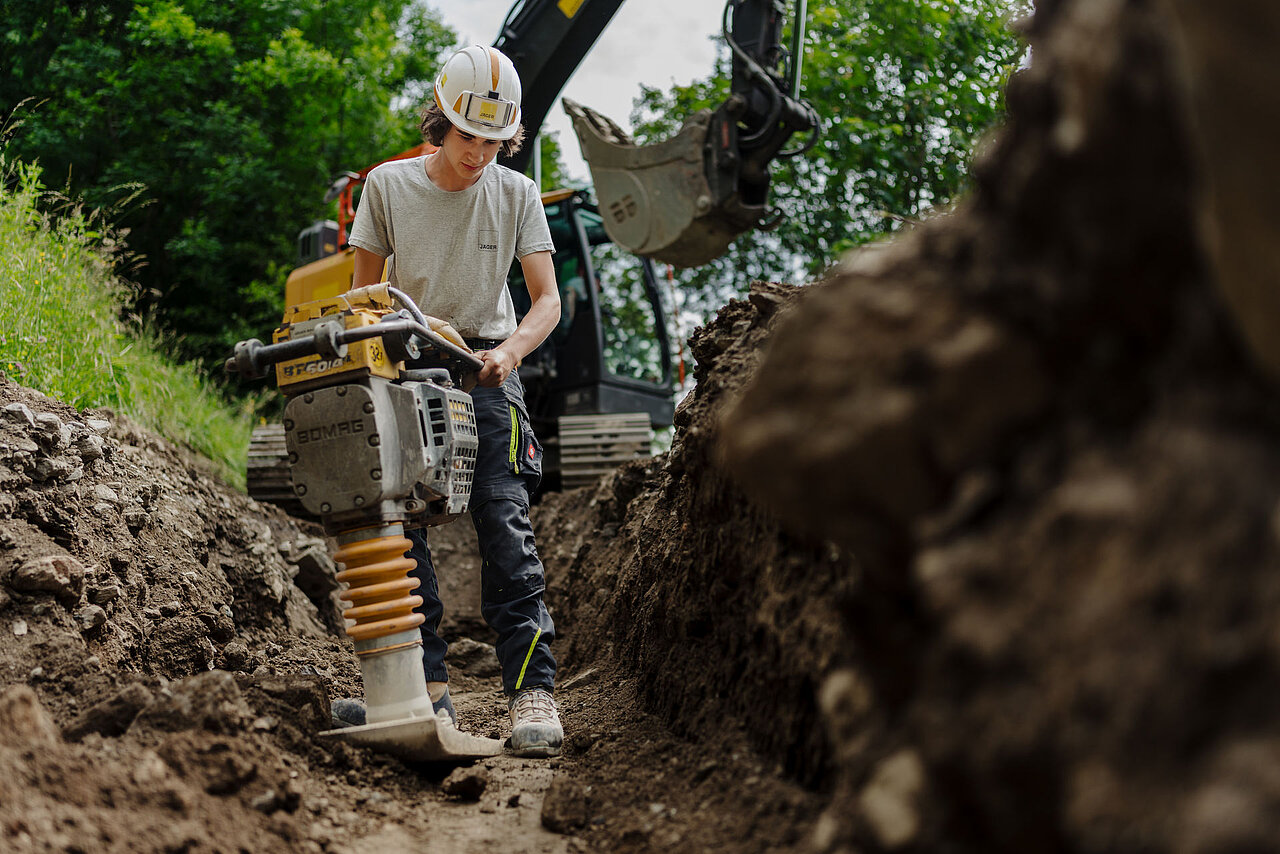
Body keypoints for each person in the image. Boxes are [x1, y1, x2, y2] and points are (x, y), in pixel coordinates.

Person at [332, 44, 564, 757]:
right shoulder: (388, 187)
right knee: (405, 525)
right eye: (469, 137)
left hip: (486, 360)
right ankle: (423, 690)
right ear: (442, 122)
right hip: (407, 361)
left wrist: (510, 352)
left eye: (495, 142)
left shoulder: (517, 194)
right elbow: (362, 299)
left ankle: (533, 692)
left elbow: (549, 300)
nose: (479, 155)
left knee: (503, 518)